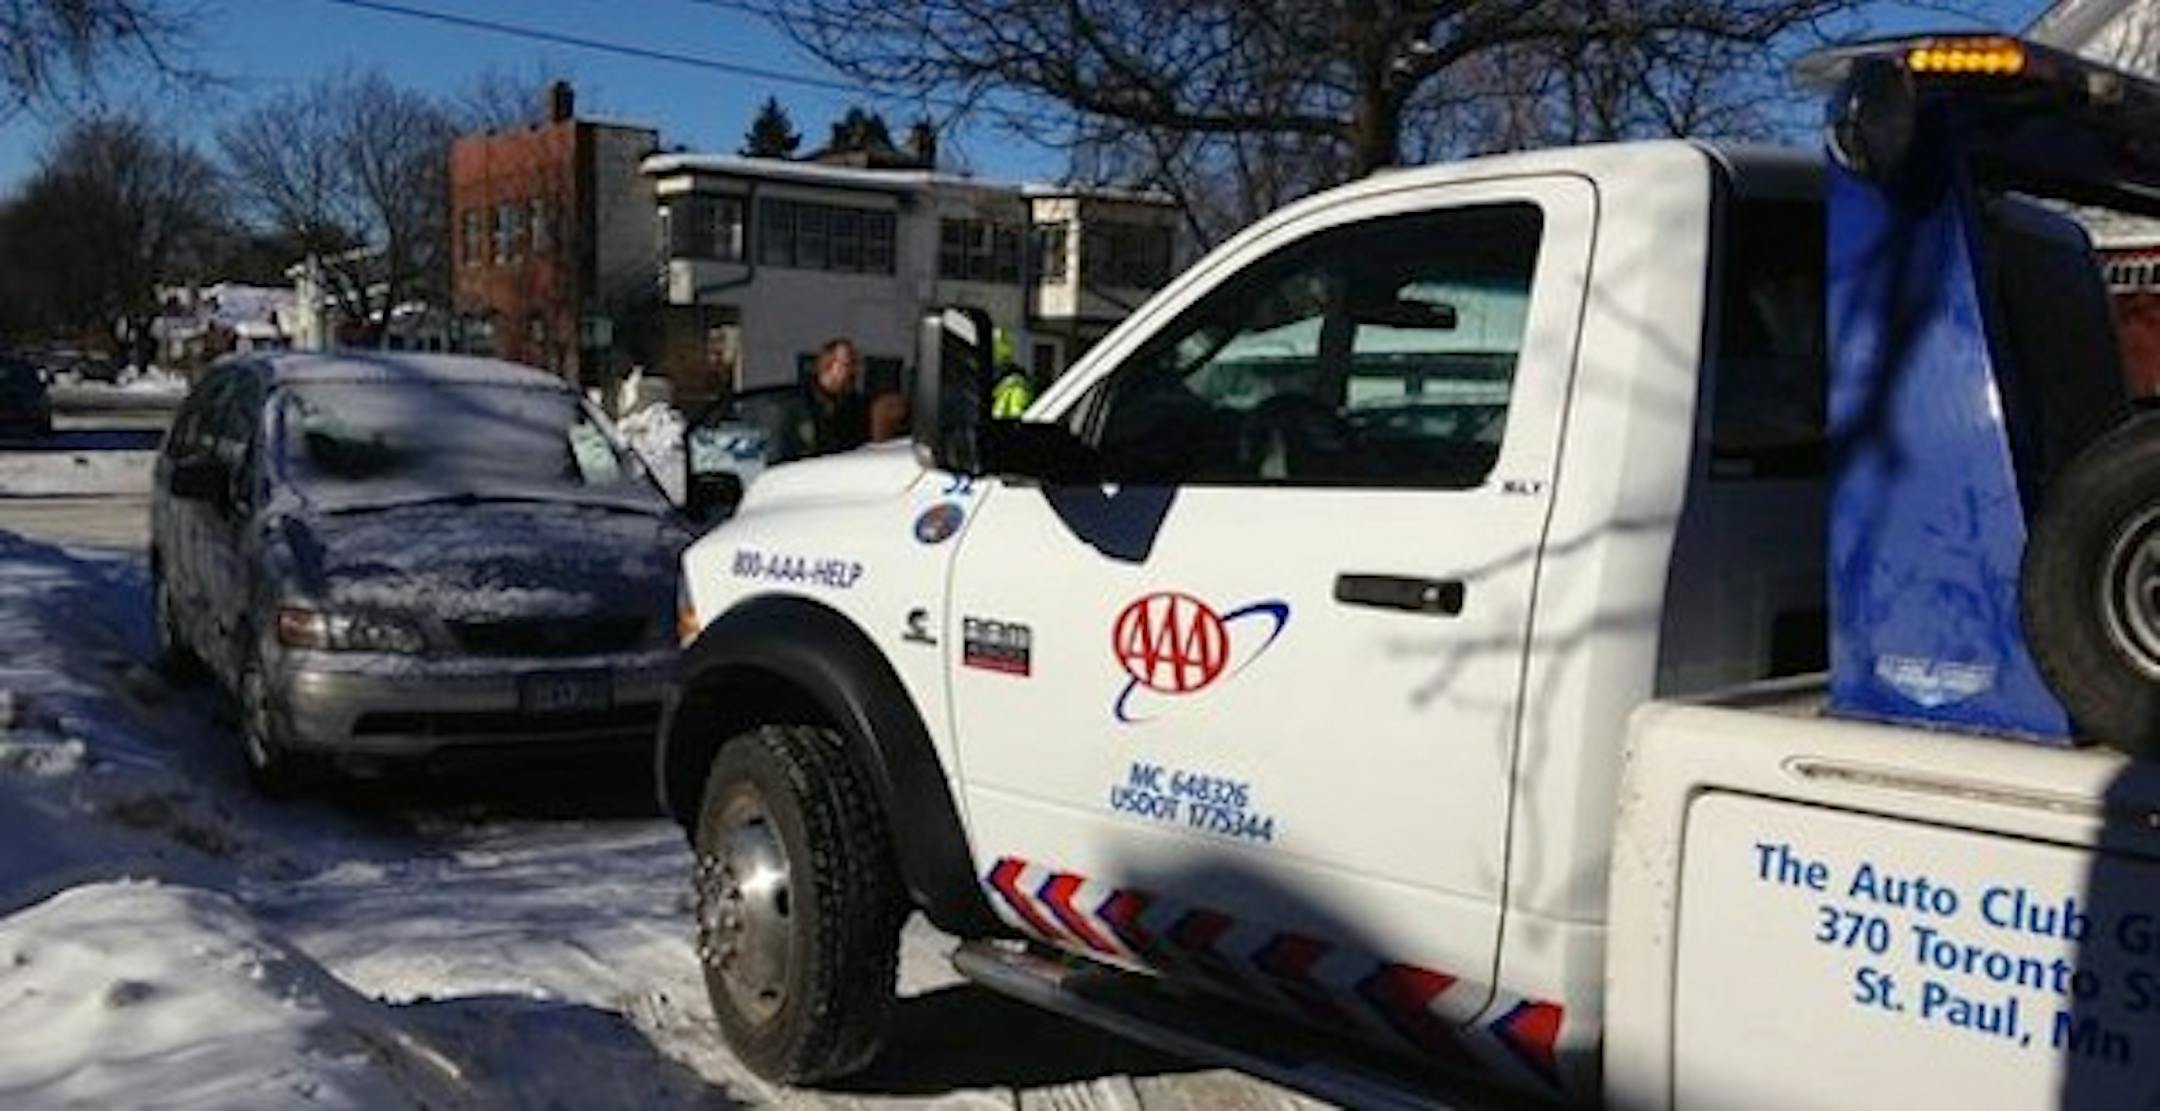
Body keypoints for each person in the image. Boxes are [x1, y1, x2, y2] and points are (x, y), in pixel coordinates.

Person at [778, 336, 870, 460]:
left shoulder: (855, 404)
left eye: (855, 365)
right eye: (848, 364)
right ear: (830, 365)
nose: (853, 371)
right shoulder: (799, 402)